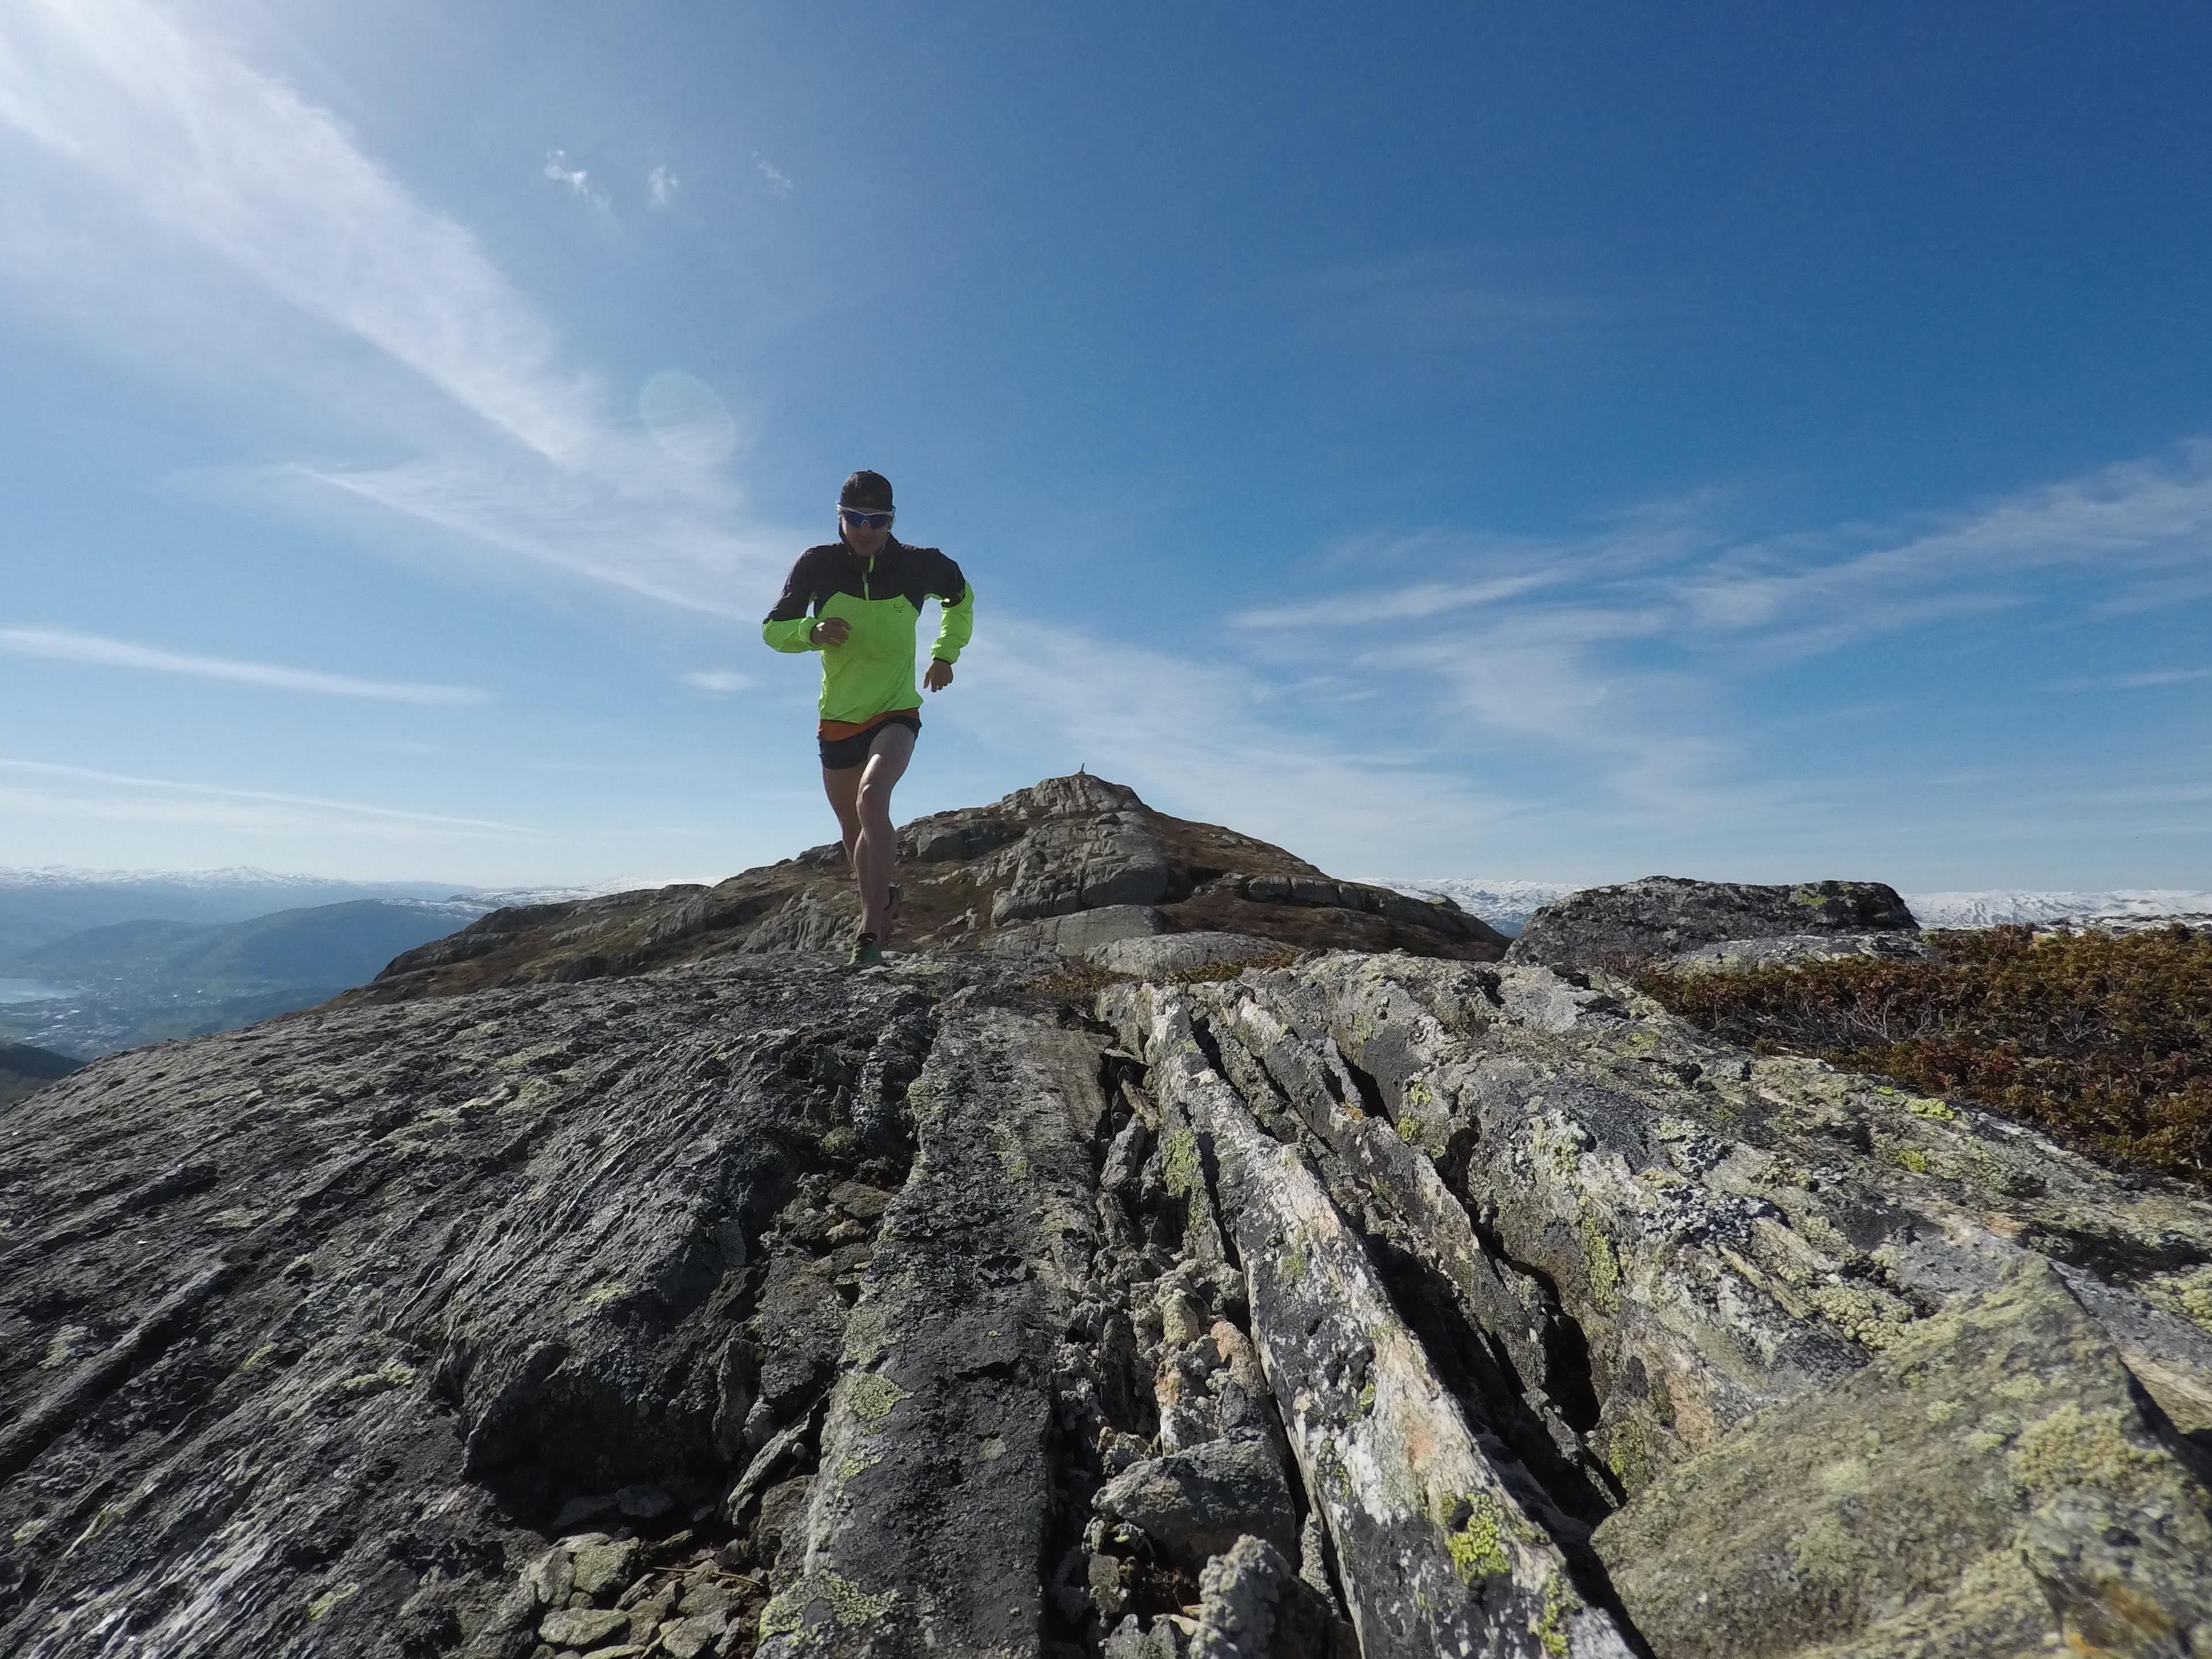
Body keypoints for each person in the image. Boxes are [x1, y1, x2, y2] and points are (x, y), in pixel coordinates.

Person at [763, 470, 973, 966]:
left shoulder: (920, 566)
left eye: (876, 519)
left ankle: (870, 934)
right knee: (852, 832)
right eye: (855, 518)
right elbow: (774, 630)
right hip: (837, 719)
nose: (865, 529)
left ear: (891, 520)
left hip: (896, 710)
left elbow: (960, 600)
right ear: (840, 515)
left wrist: (945, 655)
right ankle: (882, 901)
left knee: (871, 800)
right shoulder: (816, 565)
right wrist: (811, 631)